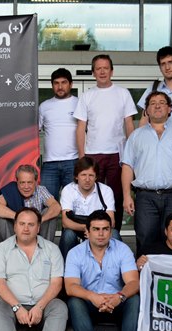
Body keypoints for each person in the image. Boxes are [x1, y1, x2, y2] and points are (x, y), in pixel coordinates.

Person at [122, 91, 172, 257]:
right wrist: (126, 196)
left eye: (162, 103)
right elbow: (127, 167)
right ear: (146, 110)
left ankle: (171, 272)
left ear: (170, 108)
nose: (157, 106)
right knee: (145, 239)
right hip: (145, 197)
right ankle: (145, 274)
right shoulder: (136, 136)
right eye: (152, 103)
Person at [65, 210, 140, 331]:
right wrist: (92, 296)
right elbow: (70, 286)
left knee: (134, 300)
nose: (101, 234)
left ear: (111, 231)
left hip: (116, 303)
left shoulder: (122, 249)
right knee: (74, 302)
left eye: (105, 229)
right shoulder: (75, 253)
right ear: (87, 231)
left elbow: (133, 283)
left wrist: (119, 297)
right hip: (91, 304)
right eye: (96, 229)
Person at [74, 54, 136, 227]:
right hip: (93, 154)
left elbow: (129, 124)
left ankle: (114, 232)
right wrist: (82, 156)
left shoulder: (123, 93)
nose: (102, 72)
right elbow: (81, 127)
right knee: (93, 195)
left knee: (117, 195)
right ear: (93, 72)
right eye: (98, 69)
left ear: (112, 71)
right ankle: (93, 231)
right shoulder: (87, 96)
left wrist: (133, 153)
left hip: (118, 154)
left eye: (106, 68)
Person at [59, 156, 118, 260]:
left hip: (99, 229)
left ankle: (117, 266)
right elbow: (65, 222)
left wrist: (94, 230)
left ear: (96, 177)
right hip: (76, 229)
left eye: (91, 175)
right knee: (68, 235)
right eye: (83, 175)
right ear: (76, 176)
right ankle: (66, 268)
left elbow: (111, 222)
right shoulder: (68, 190)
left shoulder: (106, 190)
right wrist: (86, 228)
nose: (87, 179)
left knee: (114, 234)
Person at [38, 68, 79, 199]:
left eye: (64, 82)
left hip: (73, 162)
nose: (60, 86)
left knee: (74, 203)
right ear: (52, 85)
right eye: (56, 83)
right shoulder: (44, 106)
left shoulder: (80, 104)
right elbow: (34, 132)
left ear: (71, 84)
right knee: (47, 204)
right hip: (49, 163)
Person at [0, 164, 61, 242]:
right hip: (15, 230)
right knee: (2, 219)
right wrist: (20, 218)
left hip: (36, 229)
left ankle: (45, 247)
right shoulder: (10, 190)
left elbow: (56, 207)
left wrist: (39, 220)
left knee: (49, 213)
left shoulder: (41, 190)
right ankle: (11, 248)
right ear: (17, 182)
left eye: (30, 182)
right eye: (22, 182)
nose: (26, 187)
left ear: (36, 182)